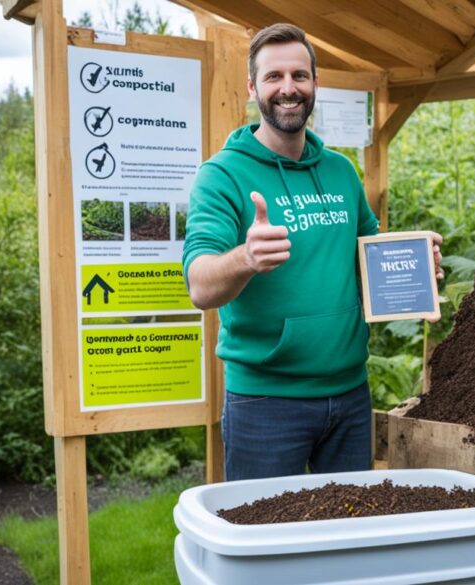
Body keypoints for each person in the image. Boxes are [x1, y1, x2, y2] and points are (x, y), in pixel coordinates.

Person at [182, 23, 442, 481]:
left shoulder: (341, 172)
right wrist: (246, 257)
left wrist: (414, 267)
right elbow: (200, 286)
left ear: (315, 84)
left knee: (348, 540)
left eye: (300, 76)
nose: (289, 88)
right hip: (265, 403)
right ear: (253, 88)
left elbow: (365, 264)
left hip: (349, 397)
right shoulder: (221, 175)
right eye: (274, 77)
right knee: (264, 544)